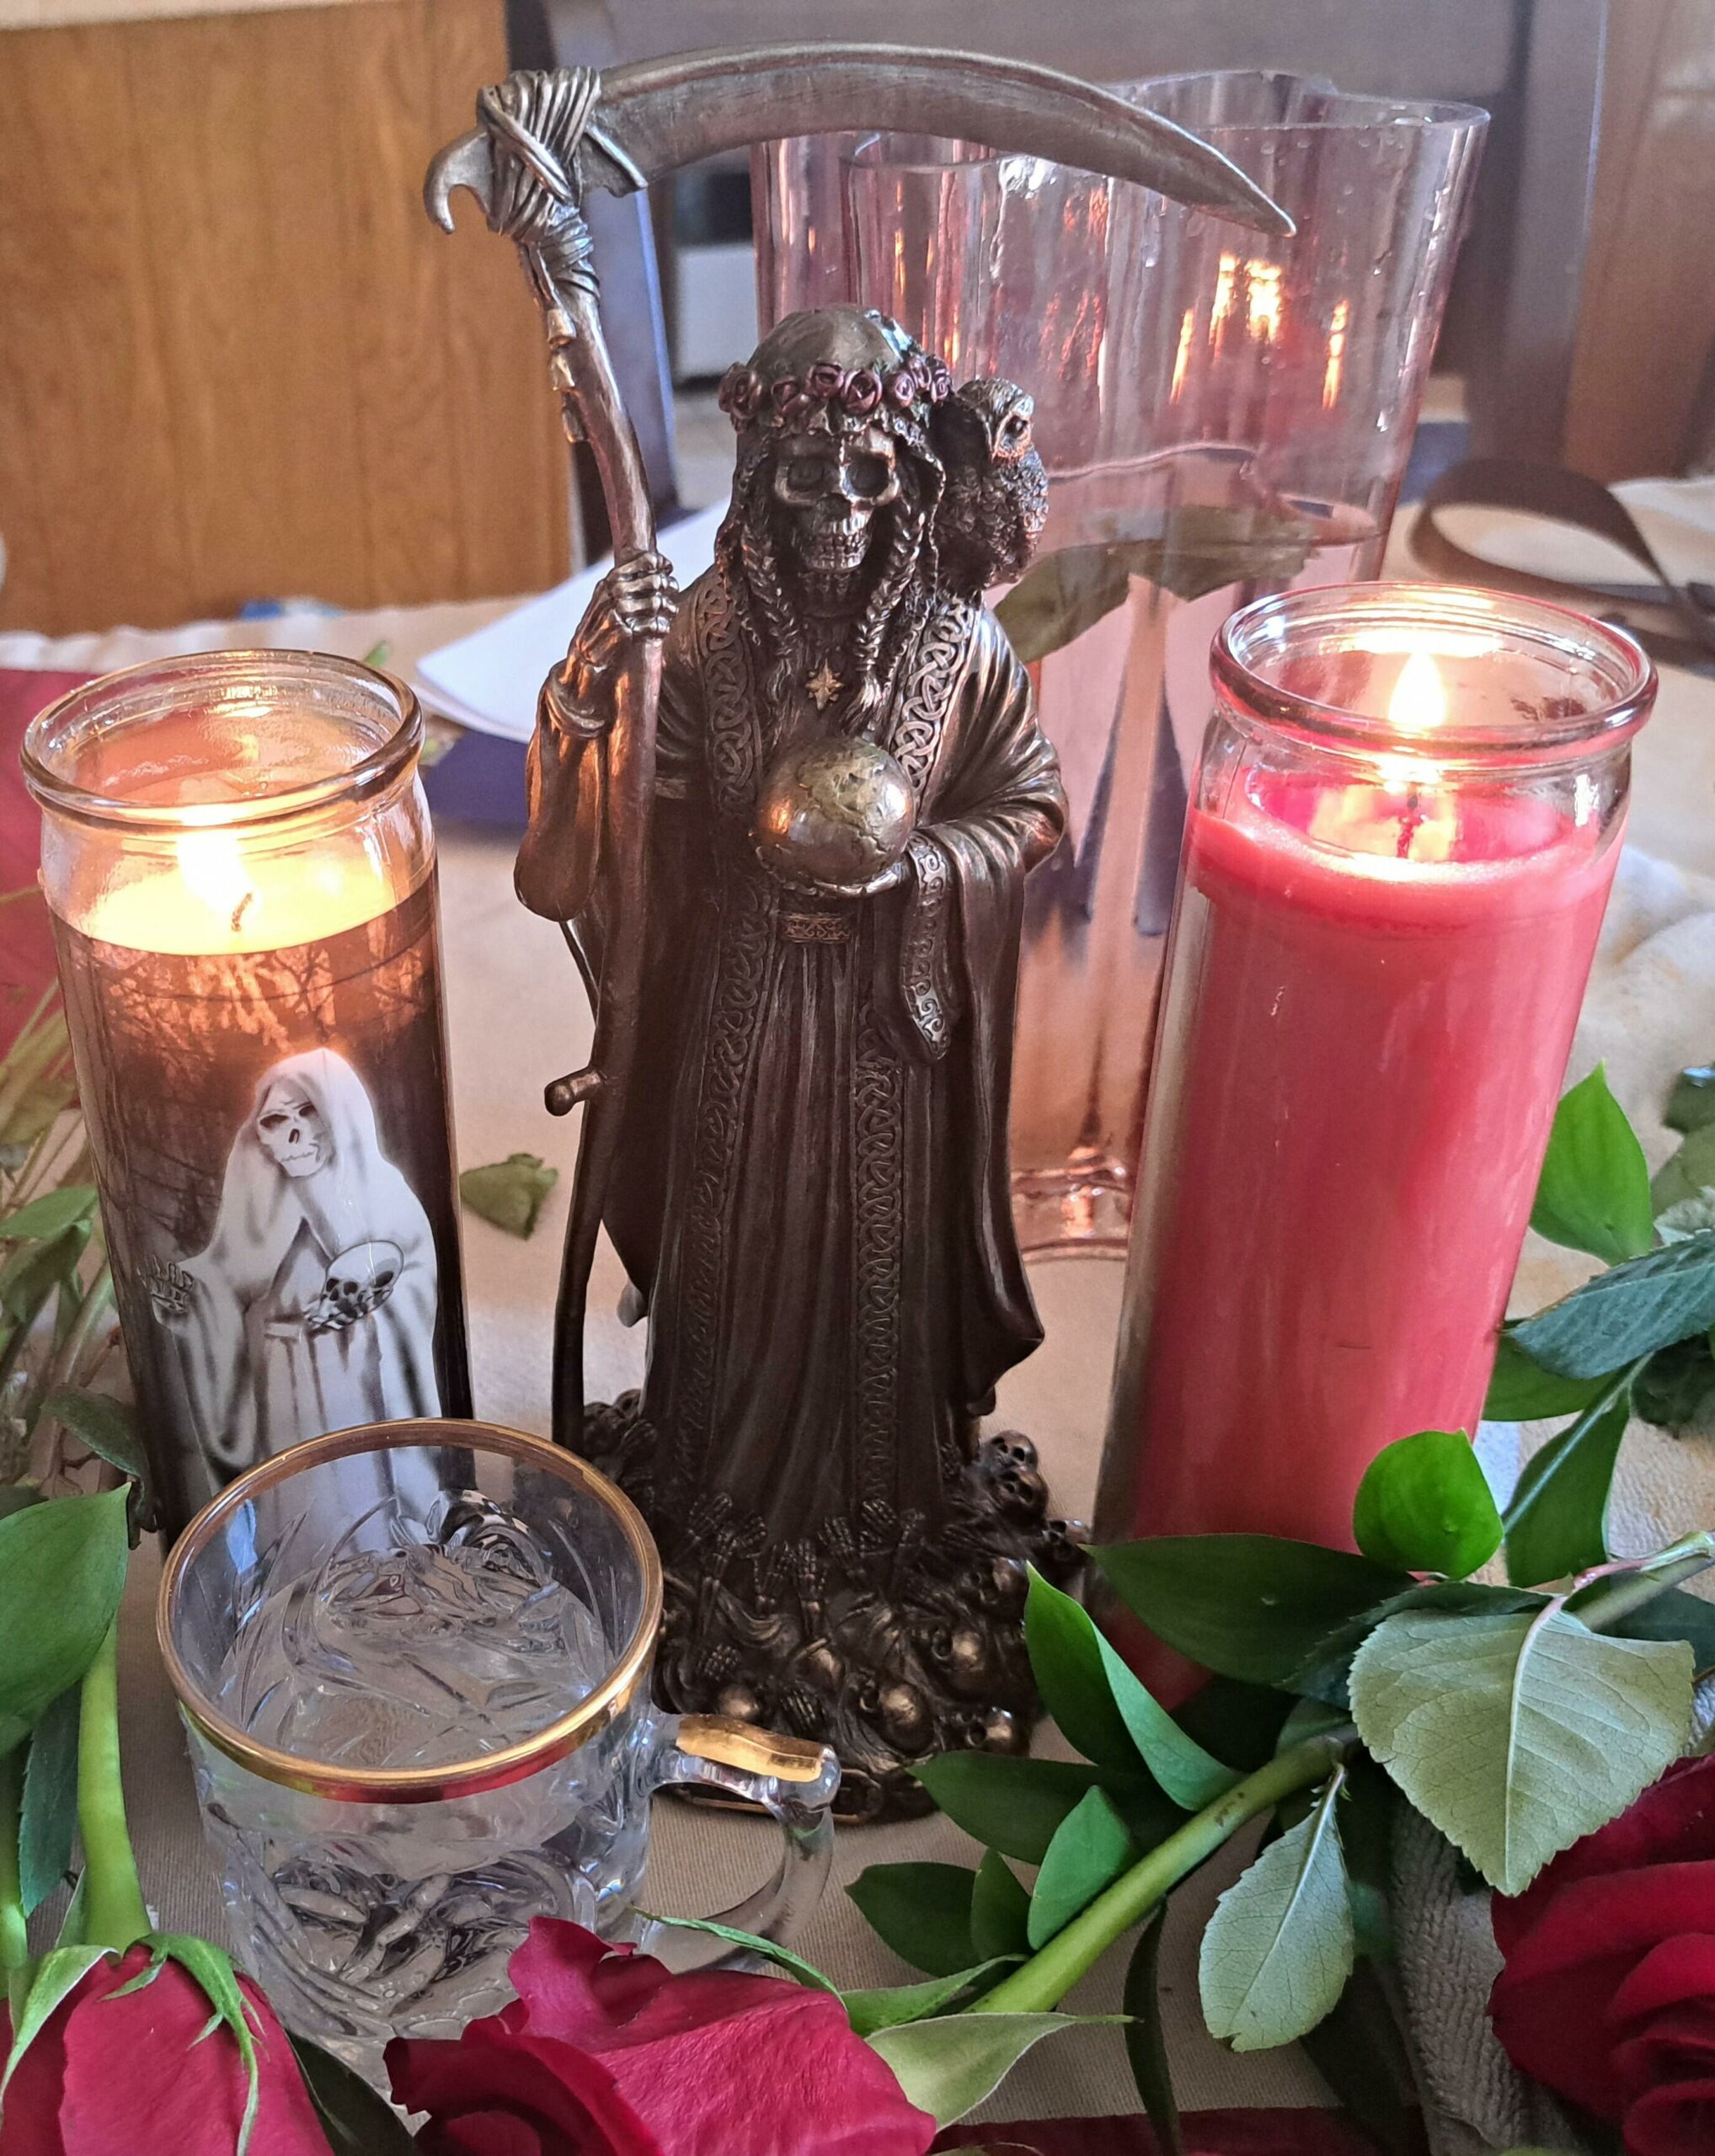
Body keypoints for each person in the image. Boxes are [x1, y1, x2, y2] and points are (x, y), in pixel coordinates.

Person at [522, 306, 1070, 1803]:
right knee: (745, 1254)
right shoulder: (701, 636)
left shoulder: (963, 644)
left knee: (875, 1260)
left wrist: (919, 869)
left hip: (898, 1031)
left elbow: (1027, 809)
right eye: (801, 478)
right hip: (743, 1024)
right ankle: (721, 1507)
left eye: (866, 478)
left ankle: (883, 1519)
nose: (835, 512)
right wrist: (594, 697)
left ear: (910, 482)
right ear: (756, 482)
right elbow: (613, 855)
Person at [174, 1047, 441, 1477]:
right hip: (280, 1382)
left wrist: (372, 1300)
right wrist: (188, 1299)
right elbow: (222, 1280)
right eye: (275, 1121)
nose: (294, 1134)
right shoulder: (260, 1199)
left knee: (361, 1485)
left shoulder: (380, 1191)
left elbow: (416, 1275)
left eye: (308, 1113)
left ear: (342, 1116)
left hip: (357, 1378)